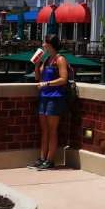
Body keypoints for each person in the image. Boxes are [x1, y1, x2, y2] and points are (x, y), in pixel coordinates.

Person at [32, 34, 69, 170]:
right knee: (44, 129)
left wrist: (47, 84)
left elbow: (63, 78)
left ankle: (50, 159)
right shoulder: (47, 60)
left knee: (52, 130)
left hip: (55, 97)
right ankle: (42, 158)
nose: (42, 45)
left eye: (44, 43)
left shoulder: (60, 59)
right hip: (44, 96)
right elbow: (37, 77)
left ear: (50, 44)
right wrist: (37, 65)